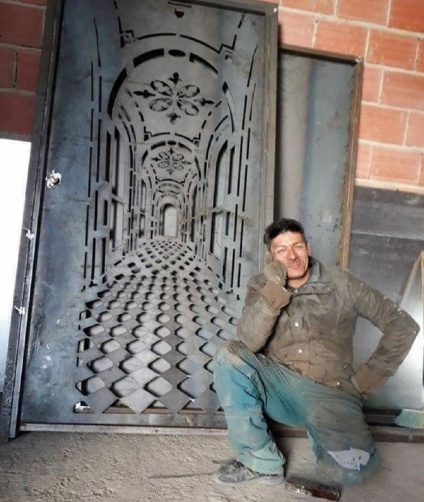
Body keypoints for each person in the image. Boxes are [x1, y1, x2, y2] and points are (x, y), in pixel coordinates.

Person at [213, 218, 420, 487]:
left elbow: (403, 325)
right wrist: (274, 291)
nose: (292, 256)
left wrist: (368, 378)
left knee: (352, 472)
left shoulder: (341, 282)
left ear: (308, 248)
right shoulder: (261, 285)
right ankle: (261, 462)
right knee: (229, 356)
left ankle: (322, 430)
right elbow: (249, 341)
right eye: (282, 250)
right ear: (271, 257)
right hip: (280, 387)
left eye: (297, 246)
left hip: (330, 392)